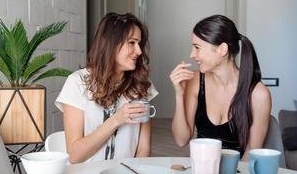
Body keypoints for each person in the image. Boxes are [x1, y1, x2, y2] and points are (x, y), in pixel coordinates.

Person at [55, 12, 158, 163]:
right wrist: (116, 119)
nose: (139, 51)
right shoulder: (77, 83)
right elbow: (75, 156)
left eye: (139, 43)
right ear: (111, 44)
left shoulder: (141, 83)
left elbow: (144, 149)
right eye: (132, 43)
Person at [170, 15, 271, 160]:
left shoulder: (258, 94)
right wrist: (179, 94)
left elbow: (252, 154)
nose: (192, 55)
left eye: (197, 47)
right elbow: (181, 140)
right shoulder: (196, 82)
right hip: (202, 168)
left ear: (222, 49)